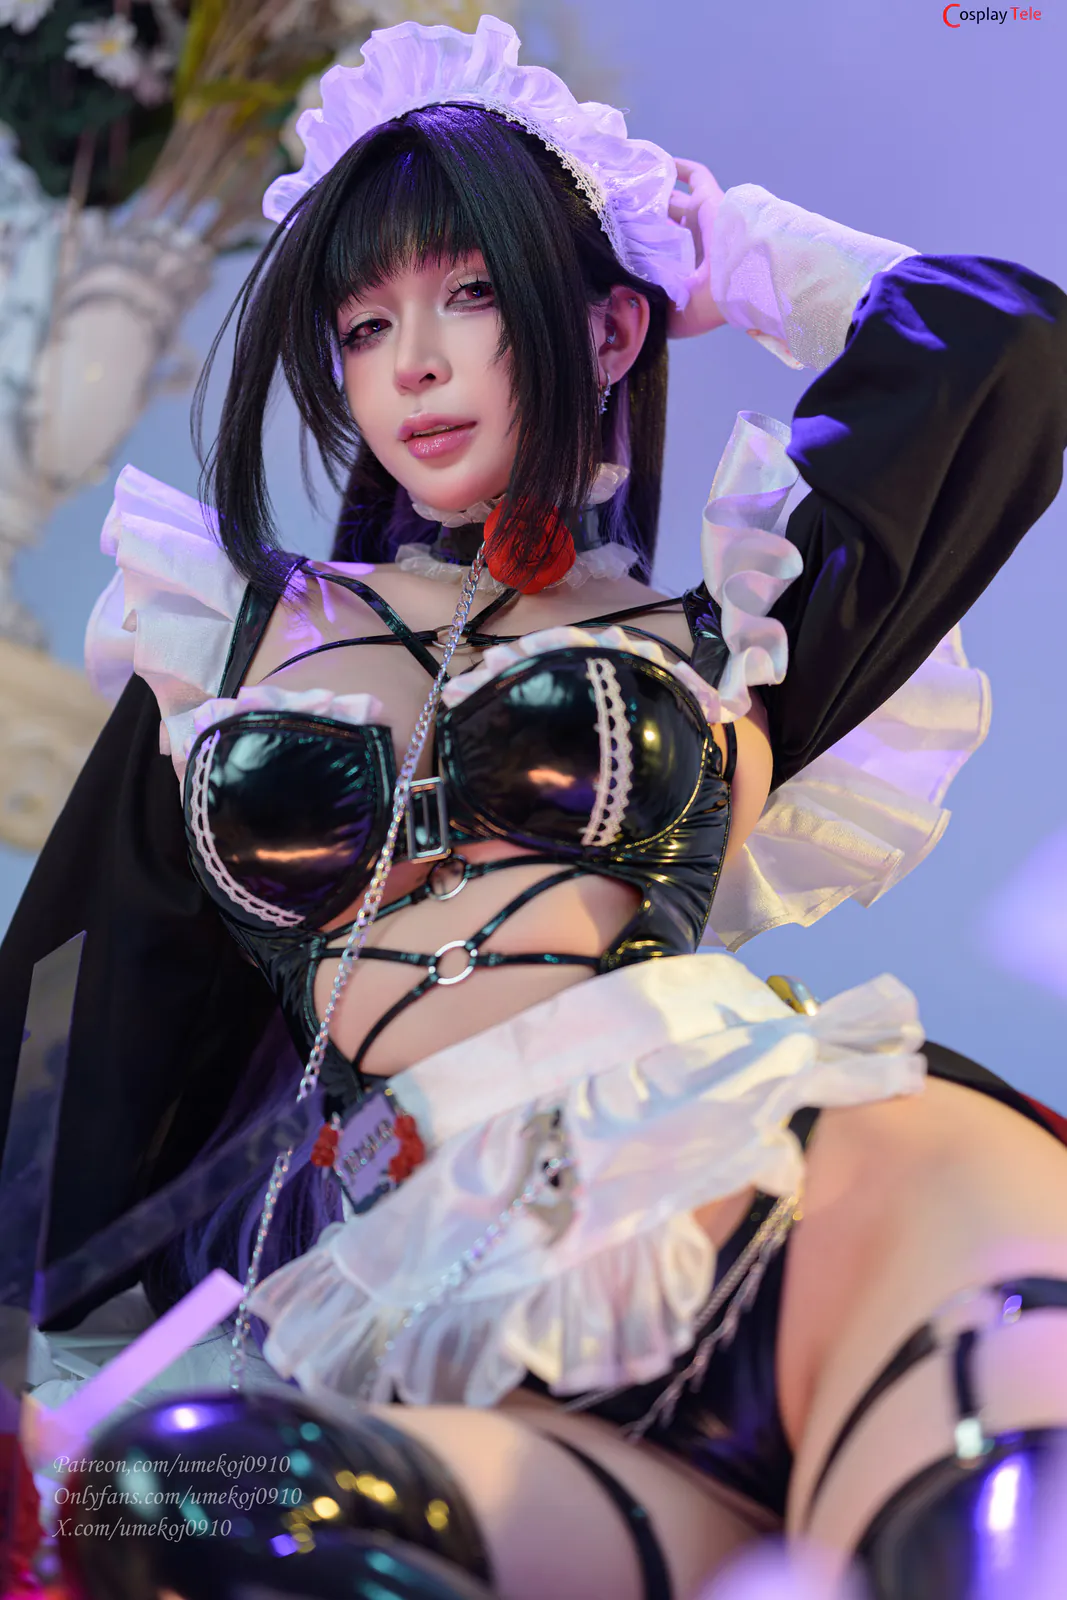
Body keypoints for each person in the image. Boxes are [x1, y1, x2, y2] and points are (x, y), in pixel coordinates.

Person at [4, 13, 1067, 1599]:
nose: (413, 363)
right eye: (364, 324)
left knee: (992, 1518)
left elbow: (1001, 350)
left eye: (474, 295)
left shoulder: (724, 639)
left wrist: (723, 247)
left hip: (793, 1165)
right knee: (188, 1505)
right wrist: (51, 1371)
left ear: (613, 330)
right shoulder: (223, 633)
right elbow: (80, 1030)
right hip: (444, 1288)